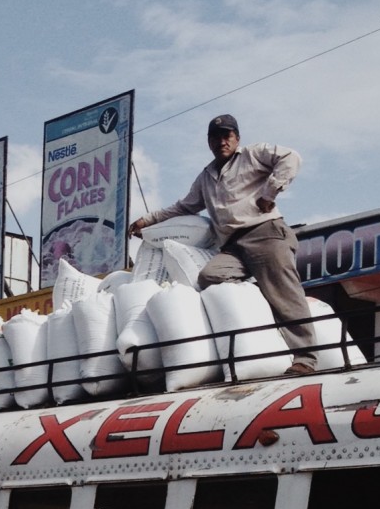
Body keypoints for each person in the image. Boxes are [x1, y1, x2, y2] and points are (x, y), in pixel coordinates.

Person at [129, 114, 317, 376]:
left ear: (237, 138)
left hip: (265, 234)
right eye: (215, 138)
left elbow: (291, 158)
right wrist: (147, 221)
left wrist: (270, 192)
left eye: (227, 136)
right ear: (209, 142)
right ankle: (263, 302)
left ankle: (306, 360)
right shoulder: (206, 177)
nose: (221, 142)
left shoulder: (253, 155)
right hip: (232, 246)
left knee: (286, 296)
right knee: (209, 276)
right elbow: (184, 206)